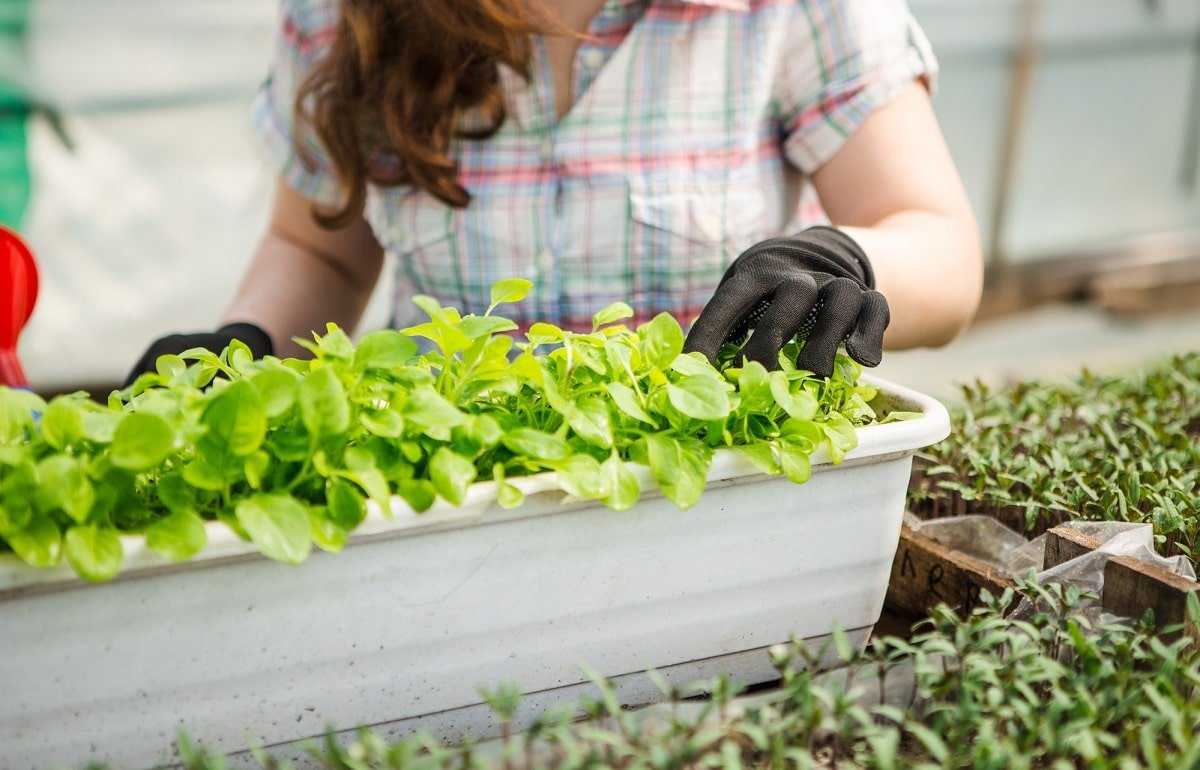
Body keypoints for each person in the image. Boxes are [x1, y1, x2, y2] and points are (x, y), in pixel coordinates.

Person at [128, 0, 982, 383]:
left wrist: (839, 262)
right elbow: (318, 250)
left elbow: (939, 244)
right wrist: (243, 345)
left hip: (715, 498)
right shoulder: (346, 12)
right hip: (438, 510)